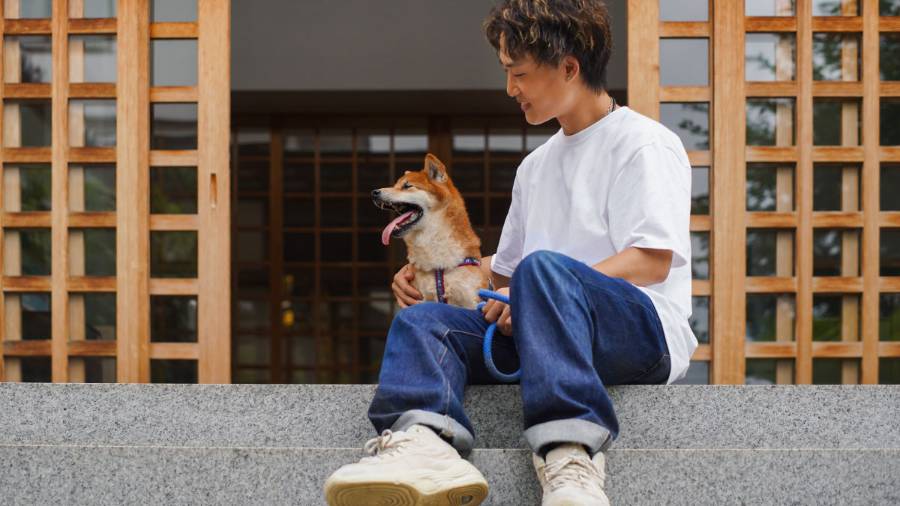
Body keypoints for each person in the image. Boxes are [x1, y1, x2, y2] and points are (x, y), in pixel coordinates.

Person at [324, 0, 697, 504]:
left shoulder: (643, 144)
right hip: (540, 332)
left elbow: (650, 261)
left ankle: (571, 454)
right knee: (424, 321)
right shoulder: (535, 167)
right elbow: (503, 274)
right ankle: (424, 444)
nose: (510, 89)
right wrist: (429, 272)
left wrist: (535, 291)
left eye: (518, 73)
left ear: (569, 67)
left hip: (639, 334)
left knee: (542, 271)